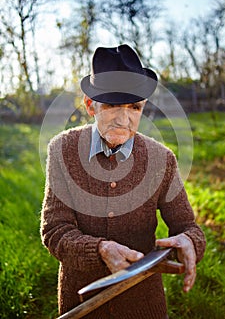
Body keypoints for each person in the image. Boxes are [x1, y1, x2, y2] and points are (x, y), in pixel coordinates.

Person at [40, 44, 206, 319]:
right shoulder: (63, 149)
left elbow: (188, 227)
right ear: (90, 105)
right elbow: (55, 230)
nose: (124, 118)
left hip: (144, 304)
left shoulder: (161, 159)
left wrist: (191, 242)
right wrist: (100, 249)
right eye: (112, 105)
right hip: (82, 302)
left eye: (134, 107)